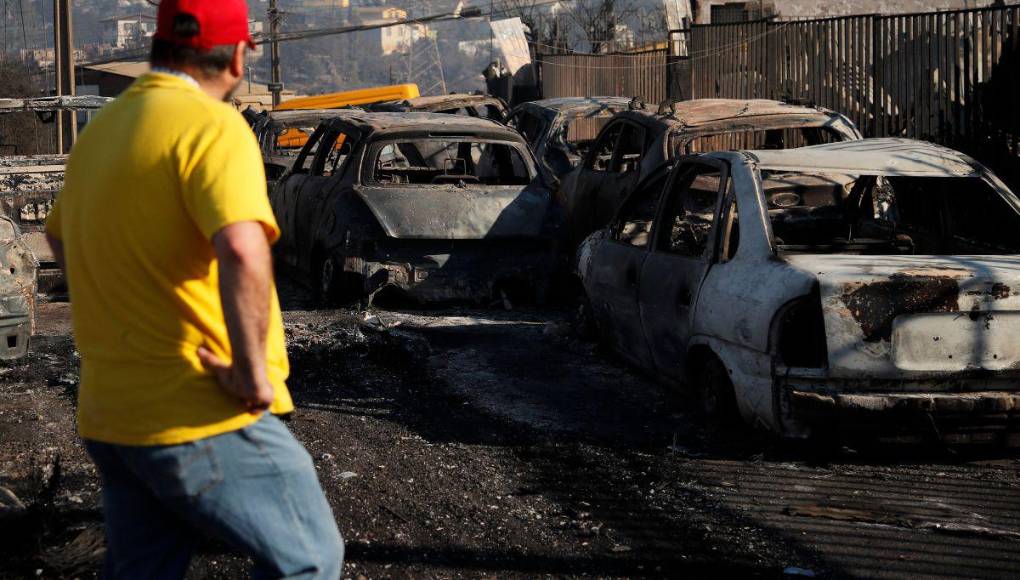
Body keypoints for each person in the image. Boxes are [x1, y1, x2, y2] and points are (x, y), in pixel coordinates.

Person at [44, 0, 344, 577]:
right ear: (236, 56)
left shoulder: (102, 132)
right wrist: (253, 373)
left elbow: (59, 239)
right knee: (308, 557)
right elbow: (241, 247)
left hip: (113, 417)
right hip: (197, 409)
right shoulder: (213, 125)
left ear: (160, 47)